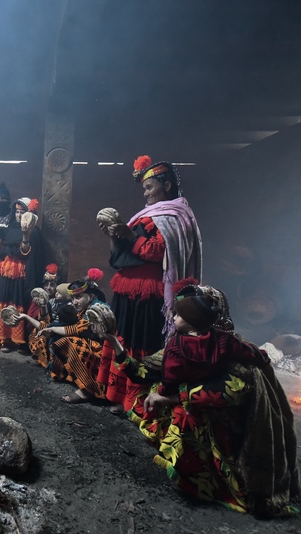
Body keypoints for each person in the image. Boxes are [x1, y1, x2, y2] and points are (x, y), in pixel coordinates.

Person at [95, 280, 300, 517]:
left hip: (220, 425)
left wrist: (172, 397)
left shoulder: (235, 358)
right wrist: (113, 341)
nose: (173, 316)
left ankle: (206, 482)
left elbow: (228, 392)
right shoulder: (189, 344)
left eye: (180, 311)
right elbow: (142, 372)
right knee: (157, 393)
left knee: (187, 416)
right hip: (187, 403)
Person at [98, 155, 202, 414]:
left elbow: (158, 252)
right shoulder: (144, 216)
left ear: (166, 186)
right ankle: (115, 393)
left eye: (149, 187)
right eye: (144, 189)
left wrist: (129, 234)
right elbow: (118, 257)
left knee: (140, 340)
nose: (145, 194)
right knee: (122, 337)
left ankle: (136, 400)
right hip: (125, 288)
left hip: (150, 291)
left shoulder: (176, 216)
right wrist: (114, 235)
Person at [35, 270, 108, 403]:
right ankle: (67, 375)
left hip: (105, 353)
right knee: (56, 337)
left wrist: (52, 329)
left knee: (71, 342)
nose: (74, 302)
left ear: (91, 296)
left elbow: (77, 329)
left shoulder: (96, 309)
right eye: (73, 298)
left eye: (78, 297)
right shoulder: (84, 308)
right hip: (94, 347)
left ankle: (89, 389)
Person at [0, 197, 43, 353]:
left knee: (17, 303)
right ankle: (4, 338)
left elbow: (26, 252)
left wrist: (25, 234)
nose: (18, 215)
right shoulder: (9, 228)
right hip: (5, 271)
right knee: (3, 301)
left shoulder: (34, 231)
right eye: (17, 212)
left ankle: (18, 340)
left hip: (21, 273)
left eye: (22, 212)